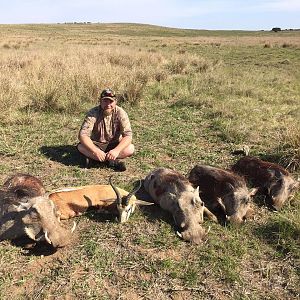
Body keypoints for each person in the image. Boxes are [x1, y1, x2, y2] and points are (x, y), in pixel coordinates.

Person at [77, 88, 134, 171]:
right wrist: (95, 151)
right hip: (97, 144)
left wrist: (116, 150)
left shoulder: (121, 112)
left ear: (115, 102)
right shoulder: (93, 112)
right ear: (100, 101)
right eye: (105, 101)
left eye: (111, 101)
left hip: (114, 144)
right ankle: (112, 162)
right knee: (81, 147)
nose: (108, 104)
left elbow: (128, 135)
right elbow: (83, 135)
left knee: (130, 148)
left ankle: (96, 160)